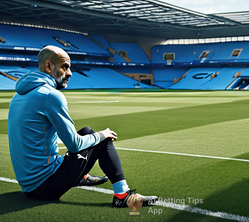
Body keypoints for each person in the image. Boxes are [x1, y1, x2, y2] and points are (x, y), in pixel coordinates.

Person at [8, 45, 157, 207]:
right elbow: (74, 144)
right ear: (49, 66)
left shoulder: (18, 95)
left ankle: (80, 176)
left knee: (86, 132)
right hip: (45, 186)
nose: (70, 73)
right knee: (102, 139)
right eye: (64, 67)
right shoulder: (51, 95)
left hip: (28, 185)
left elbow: (35, 135)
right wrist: (103, 134)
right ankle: (123, 195)